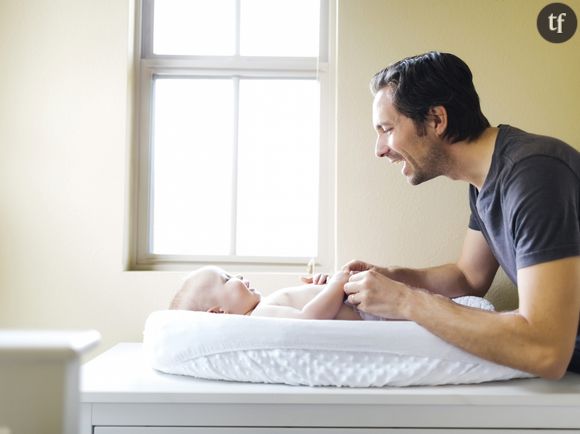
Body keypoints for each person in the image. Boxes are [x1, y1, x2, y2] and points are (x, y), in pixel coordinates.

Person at [342, 51, 580, 379]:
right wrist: (390, 276)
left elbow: (547, 348)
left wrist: (404, 301)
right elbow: (468, 276)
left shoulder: (533, 174)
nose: (379, 148)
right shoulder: (484, 180)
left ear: (437, 120)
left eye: (387, 129)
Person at [170, 265, 361, 320]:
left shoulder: (263, 307)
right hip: (366, 311)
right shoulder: (261, 315)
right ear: (219, 311)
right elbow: (309, 317)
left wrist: (324, 286)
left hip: (356, 300)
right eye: (227, 279)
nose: (238, 275)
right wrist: (336, 284)